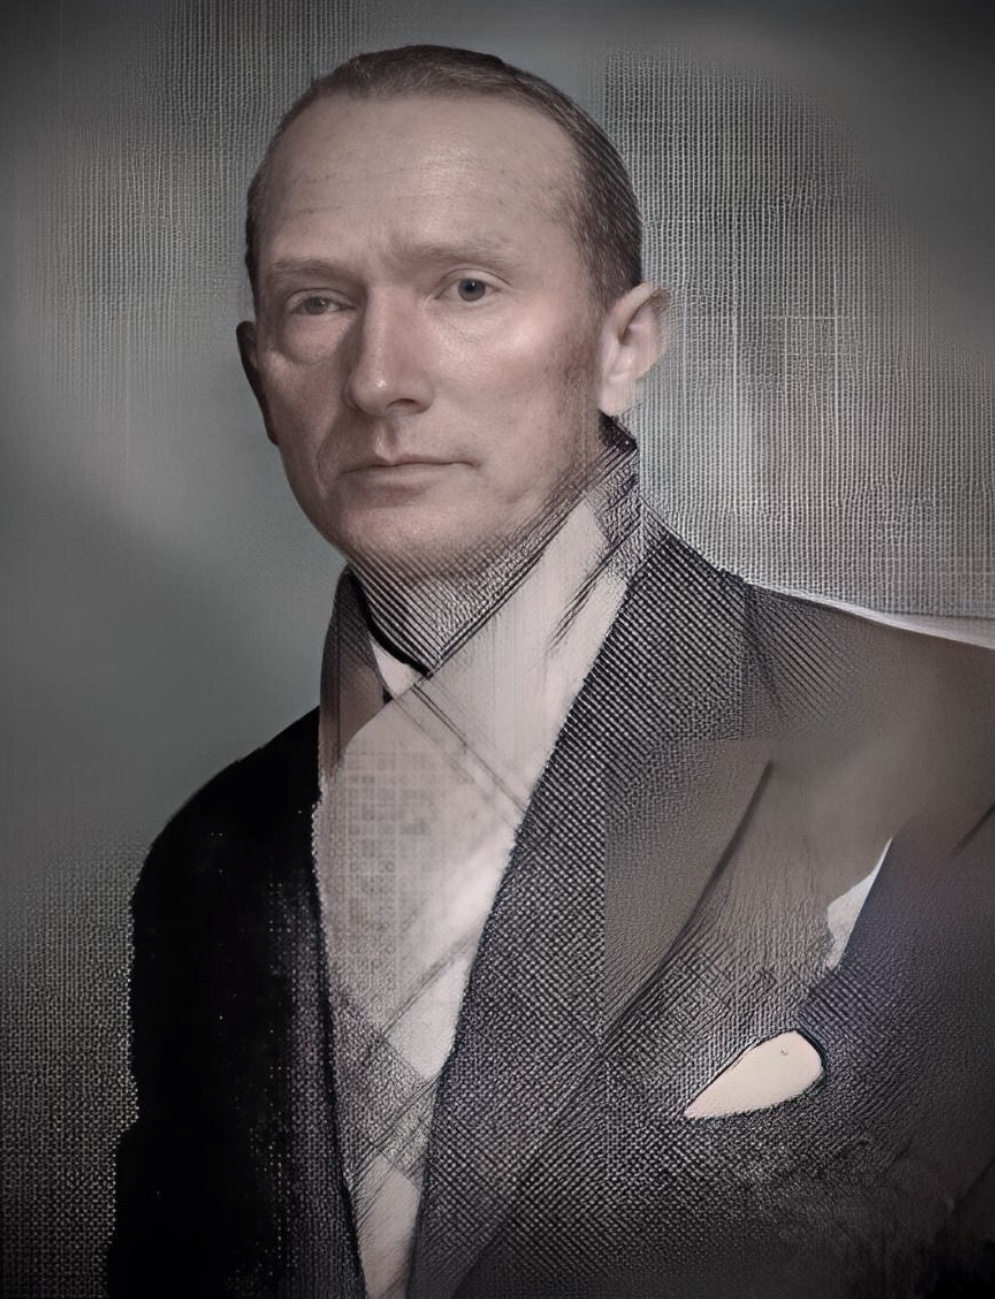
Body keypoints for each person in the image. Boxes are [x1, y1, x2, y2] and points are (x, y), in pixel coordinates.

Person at [108, 45, 995, 1299]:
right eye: (317, 303)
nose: (380, 379)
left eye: (465, 288)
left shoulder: (957, 745)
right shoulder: (213, 862)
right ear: (262, 376)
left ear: (625, 343)